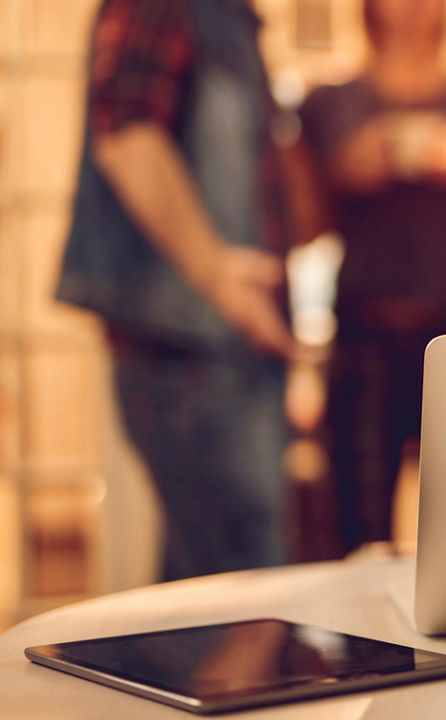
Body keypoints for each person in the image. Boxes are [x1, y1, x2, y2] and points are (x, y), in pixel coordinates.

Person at [56, 0, 296, 580]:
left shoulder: (234, 20)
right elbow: (128, 134)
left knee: (196, 603)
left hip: (218, 346)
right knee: (244, 592)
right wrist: (216, 273)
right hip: (190, 347)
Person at [298, 0, 446, 555]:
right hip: (367, 338)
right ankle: (361, 645)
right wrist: (348, 169)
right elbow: (302, 218)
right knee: (357, 541)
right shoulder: (331, 103)